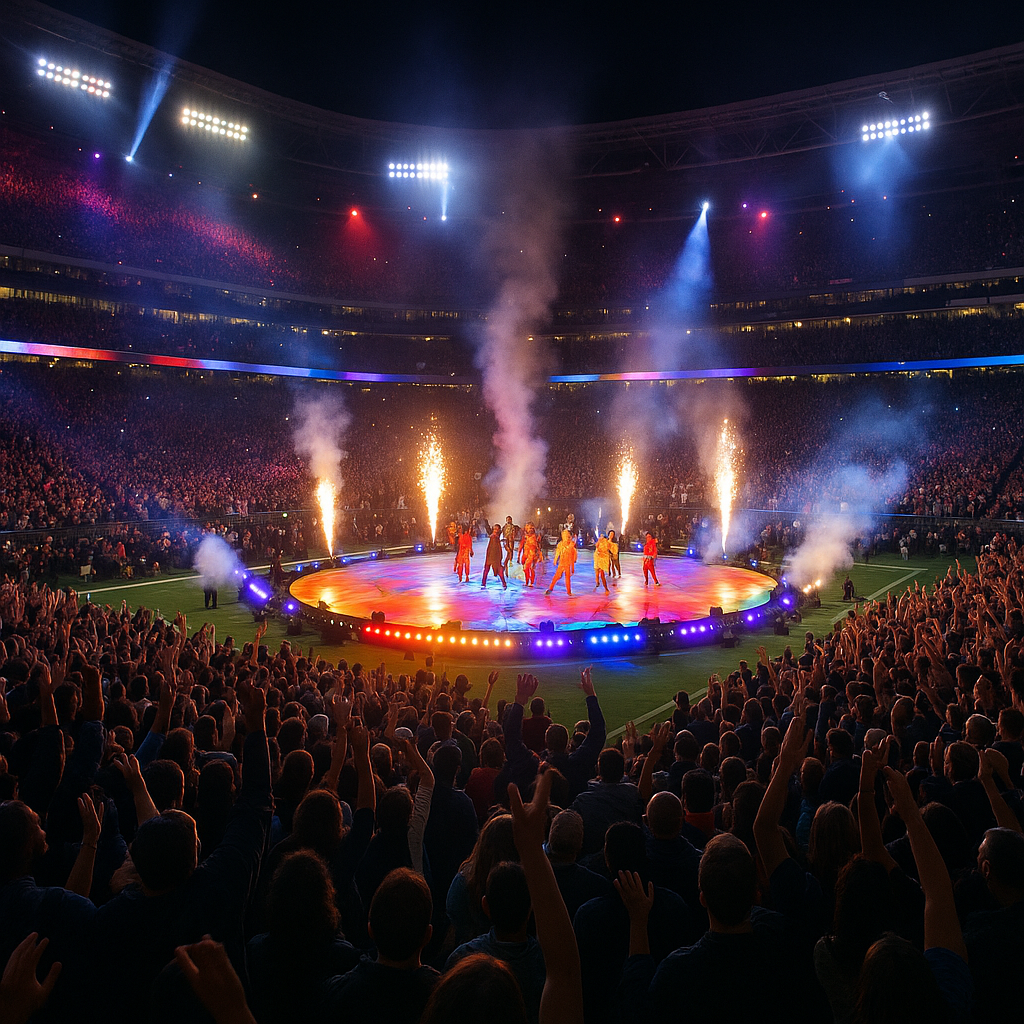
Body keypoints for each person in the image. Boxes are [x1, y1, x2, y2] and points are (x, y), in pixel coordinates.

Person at [545, 530, 577, 597]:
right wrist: (555, 559)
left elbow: (573, 555)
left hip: (568, 563)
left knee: (567, 577)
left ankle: (569, 592)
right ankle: (550, 588)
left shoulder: (571, 544)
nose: (565, 537)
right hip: (562, 563)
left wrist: (573, 566)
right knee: (557, 576)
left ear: (569, 536)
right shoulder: (560, 544)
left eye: (566, 536)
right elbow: (558, 552)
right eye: (563, 535)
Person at [482, 524, 508, 589]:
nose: (495, 531)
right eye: (494, 529)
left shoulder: (495, 537)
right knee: (488, 570)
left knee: (490, 570)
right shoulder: (493, 537)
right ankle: (503, 584)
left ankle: (484, 583)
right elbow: (490, 548)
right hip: (492, 556)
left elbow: (495, 549)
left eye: (496, 529)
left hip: (494, 557)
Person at [518, 523, 543, 589]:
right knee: (525, 569)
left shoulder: (536, 536)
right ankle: (527, 581)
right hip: (526, 554)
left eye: (532, 528)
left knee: (531, 568)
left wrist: (540, 555)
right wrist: (519, 555)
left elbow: (539, 547)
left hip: (533, 554)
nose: (530, 530)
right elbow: (521, 546)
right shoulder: (525, 537)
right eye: (529, 528)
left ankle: (531, 582)